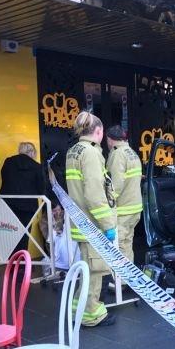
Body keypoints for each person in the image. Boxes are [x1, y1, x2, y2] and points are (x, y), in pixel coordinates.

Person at [65, 111, 117, 327]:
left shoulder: (73, 151)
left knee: (87, 266)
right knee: (96, 270)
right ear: (98, 131)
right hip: (93, 224)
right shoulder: (91, 153)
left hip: (80, 220)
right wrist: (108, 225)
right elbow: (95, 194)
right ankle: (92, 315)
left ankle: (78, 307)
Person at [0, 142, 45, 253]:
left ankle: (11, 262)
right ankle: (22, 263)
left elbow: (4, 179)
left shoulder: (8, 162)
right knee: (24, 234)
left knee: (10, 233)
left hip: (8, 205)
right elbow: (41, 188)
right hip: (27, 206)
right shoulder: (36, 166)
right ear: (32, 152)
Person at [106, 125, 142, 265]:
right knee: (127, 243)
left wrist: (107, 203)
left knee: (119, 245)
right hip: (134, 208)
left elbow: (115, 185)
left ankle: (119, 281)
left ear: (110, 139)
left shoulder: (117, 154)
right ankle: (127, 279)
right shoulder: (131, 152)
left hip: (123, 210)